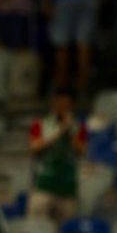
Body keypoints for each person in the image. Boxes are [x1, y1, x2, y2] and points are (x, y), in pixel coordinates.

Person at [27, 90, 86, 220]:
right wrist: (60, 132)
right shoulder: (40, 124)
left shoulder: (79, 127)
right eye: (60, 104)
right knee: (38, 227)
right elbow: (35, 148)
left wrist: (70, 131)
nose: (63, 108)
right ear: (54, 103)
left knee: (66, 232)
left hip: (68, 188)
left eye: (66, 105)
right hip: (43, 185)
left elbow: (81, 150)